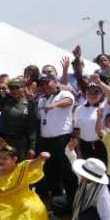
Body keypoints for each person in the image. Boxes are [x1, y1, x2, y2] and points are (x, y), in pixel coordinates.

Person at [65, 140, 110, 220]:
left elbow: (106, 212)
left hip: (95, 210)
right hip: (82, 203)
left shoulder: (102, 191)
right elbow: (72, 160)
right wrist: (70, 149)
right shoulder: (82, 177)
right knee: (58, 202)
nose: (81, 174)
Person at [37, 73, 77, 209]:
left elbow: (69, 102)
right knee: (51, 174)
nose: (44, 86)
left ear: (55, 82)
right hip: (46, 141)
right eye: (41, 84)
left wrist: (54, 105)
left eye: (47, 83)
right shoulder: (41, 100)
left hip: (62, 139)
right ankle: (57, 205)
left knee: (67, 173)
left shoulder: (64, 94)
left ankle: (72, 202)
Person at [0, 72, 38, 161]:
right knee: (6, 167)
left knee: (21, 167)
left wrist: (32, 147)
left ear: (23, 88)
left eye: (17, 87)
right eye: (12, 88)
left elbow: (32, 128)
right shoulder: (5, 101)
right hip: (6, 141)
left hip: (22, 143)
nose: (14, 90)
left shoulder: (30, 104)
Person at [72, 75, 110, 164]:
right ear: (85, 94)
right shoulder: (79, 109)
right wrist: (78, 148)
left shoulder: (105, 106)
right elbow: (77, 130)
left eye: (96, 92)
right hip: (84, 146)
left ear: (101, 94)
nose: (92, 95)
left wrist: (99, 83)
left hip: (102, 145)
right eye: (89, 92)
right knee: (86, 174)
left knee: (101, 174)